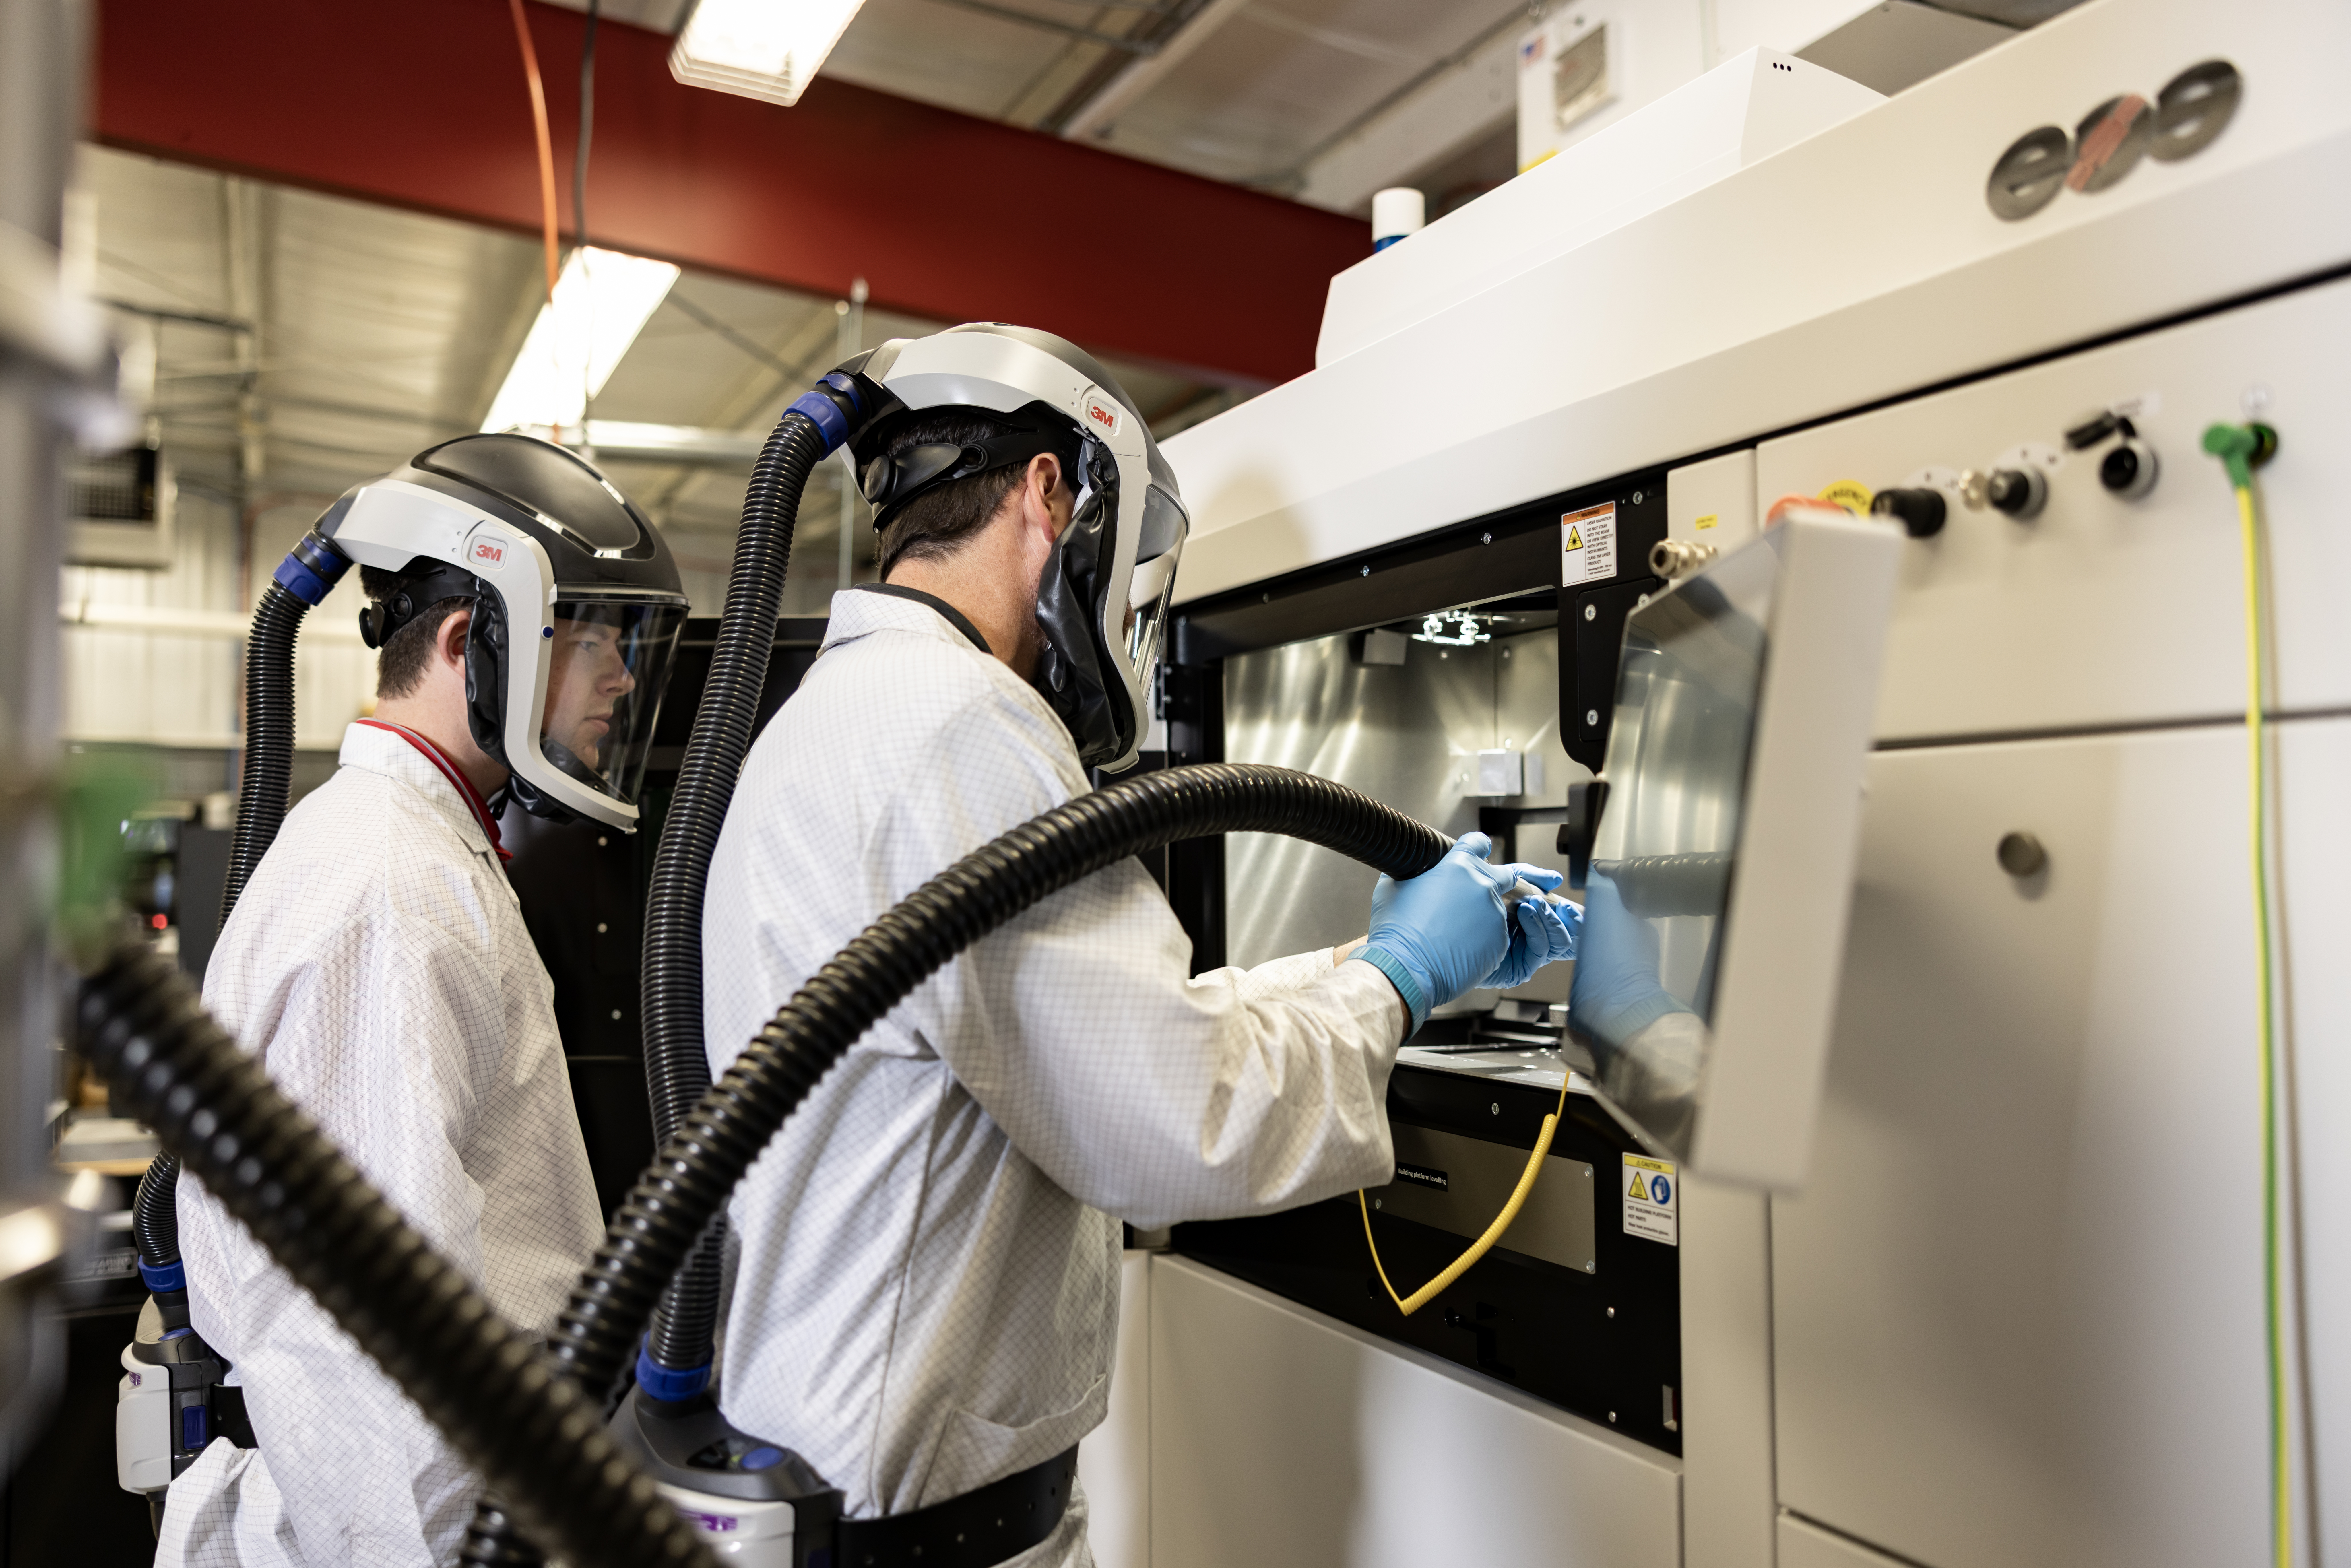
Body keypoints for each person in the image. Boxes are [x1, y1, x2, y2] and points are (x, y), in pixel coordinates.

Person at [700, 325, 1578, 1565]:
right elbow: (1181, 1114)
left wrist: (1355, 966)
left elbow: (1074, 1021)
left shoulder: (837, 715)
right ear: (1053, 495)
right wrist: (1400, 977)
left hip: (843, 1484)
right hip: (922, 1523)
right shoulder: (961, 725)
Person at [156, 434, 688, 1567]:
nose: (627, 679)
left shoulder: (414, 850)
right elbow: (373, 1348)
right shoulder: (393, 888)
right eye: (596, 640)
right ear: (468, 641)